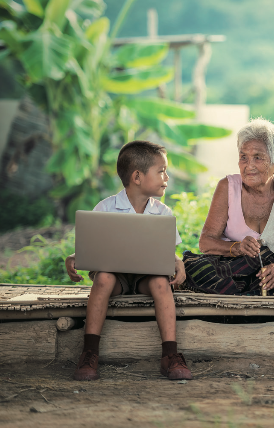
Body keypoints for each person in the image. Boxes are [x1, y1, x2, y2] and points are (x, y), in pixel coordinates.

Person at [65, 140, 191, 381]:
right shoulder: (106, 208)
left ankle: (170, 355)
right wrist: (74, 257)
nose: (167, 177)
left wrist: (177, 260)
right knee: (103, 277)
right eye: (161, 171)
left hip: (147, 277)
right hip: (116, 278)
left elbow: (167, 250)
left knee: (160, 283)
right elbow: (92, 246)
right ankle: (89, 353)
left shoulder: (162, 212)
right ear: (137, 176)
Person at [182, 118, 274, 296]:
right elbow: (205, 242)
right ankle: (253, 301)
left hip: (267, 275)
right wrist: (237, 248)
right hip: (230, 269)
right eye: (243, 157)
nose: (249, 166)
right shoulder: (227, 186)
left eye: (257, 157)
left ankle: (237, 300)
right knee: (197, 268)